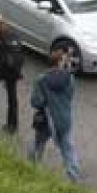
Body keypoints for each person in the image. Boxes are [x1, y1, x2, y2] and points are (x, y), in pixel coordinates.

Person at [29, 47, 79, 181]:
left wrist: (47, 101)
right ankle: (72, 177)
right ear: (60, 62)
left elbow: (36, 102)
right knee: (68, 149)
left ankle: (31, 169)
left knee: (38, 144)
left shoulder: (41, 80)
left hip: (47, 120)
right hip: (65, 119)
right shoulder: (70, 79)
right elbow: (70, 97)